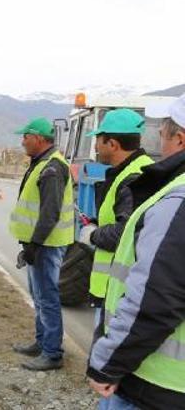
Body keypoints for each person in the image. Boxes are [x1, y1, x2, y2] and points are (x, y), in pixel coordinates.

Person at [87, 94, 185, 409]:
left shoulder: (175, 198)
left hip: (154, 381)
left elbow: (156, 297)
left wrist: (108, 362)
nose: (158, 137)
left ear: (180, 138)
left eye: (164, 131)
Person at [77, 109, 153, 331]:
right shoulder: (130, 171)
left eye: (99, 141)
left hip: (120, 288)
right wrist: (95, 222)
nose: (96, 147)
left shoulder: (134, 177)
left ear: (112, 144)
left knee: (105, 356)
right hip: (114, 285)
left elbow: (124, 233)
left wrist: (92, 234)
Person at [9, 117, 74, 371]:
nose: (22, 141)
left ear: (38, 138)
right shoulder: (42, 164)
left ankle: (52, 353)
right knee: (38, 297)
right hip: (38, 244)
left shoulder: (52, 168)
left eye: (25, 136)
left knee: (47, 298)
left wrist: (34, 246)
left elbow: (50, 213)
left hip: (46, 245)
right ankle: (41, 342)